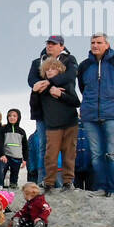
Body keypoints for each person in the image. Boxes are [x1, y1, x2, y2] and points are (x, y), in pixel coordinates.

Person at [77, 33, 114, 196]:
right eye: (93, 42)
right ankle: (101, 188)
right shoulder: (84, 66)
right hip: (90, 116)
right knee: (96, 155)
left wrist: (113, 100)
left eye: (99, 42)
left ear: (107, 44)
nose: (95, 45)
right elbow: (82, 87)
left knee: (112, 153)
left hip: (111, 114)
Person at [28, 35, 77, 170]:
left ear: (61, 46)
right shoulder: (37, 62)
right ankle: (43, 181)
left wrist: (48, 83)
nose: (49, 46)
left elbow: (69, 77)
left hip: (64, 109)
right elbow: (32, 81)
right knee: (44, 146)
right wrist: (46, 87)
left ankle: (66, 183)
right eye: (48, 43)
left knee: (66, 148)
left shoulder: (69, 60)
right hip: (42, 110)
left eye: (53, 44)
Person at [34, 56, 78, 190]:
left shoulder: (67, 84)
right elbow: (34, 107)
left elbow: (76, 102)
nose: (50, 71)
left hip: (70, 123)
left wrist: (61, 95)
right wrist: (34, 92)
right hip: (52, 125)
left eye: (53, 69)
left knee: (69, 154)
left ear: (59, 70)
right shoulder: (41, 87)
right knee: (50, 155)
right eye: (47, 69)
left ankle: (68, 181)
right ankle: (49, 182)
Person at [0, 109, 29, 188]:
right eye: (10, 116)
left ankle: (13, 185)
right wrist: (2, 154)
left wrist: (25, 159)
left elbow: (25, 146)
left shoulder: (22, 131)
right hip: (6, 156)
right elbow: (0, 142)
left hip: (17, 157)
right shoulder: (3, 129)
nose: (12, 117)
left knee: (15, 173)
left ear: (18, 118)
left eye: (14, 116)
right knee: (1, 171)